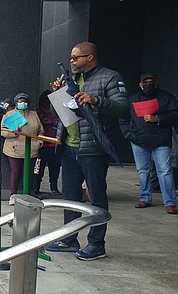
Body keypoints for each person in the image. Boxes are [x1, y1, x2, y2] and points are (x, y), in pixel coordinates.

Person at [46, 42, 129, 261]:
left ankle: (96, 244)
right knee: (70, 197)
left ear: (90, 57)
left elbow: (122, 107)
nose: (71, 61)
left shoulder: (109, 77)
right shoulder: (70, 80)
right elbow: (65, 112)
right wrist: (58, 93)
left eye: (76, 58)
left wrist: (96, 99)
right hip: (69, 146)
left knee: (97, 197)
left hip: (93, 148)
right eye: (71, 58)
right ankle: (69, 238)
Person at [119, 73, 178, 214]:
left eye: (151, 81)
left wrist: (157, 118)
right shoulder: (132, 100)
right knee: (142, 171)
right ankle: (145, 197)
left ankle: (170, 202)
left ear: (156, 83)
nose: (148, 84)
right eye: (145, 82)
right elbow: (124, 118)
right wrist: (128, 134)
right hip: (139, 140)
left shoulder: (167, 97)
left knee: (164, 171)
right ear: (140, 84)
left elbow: (175, 115)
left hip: (161, 140)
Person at [0, 93, 44, 205]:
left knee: (29, 173)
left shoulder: (34, 115)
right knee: (15, 172)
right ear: (16, 103)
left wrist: (39, 143)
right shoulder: (10, 114)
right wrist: (15, 132)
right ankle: (13, 194)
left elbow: (41, 132)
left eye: (24, 101)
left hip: (32, 149)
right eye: (20, 101)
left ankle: (28, 195)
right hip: (14, 149)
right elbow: (2, 131)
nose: (22, 103)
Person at [33, 90, 62, 195]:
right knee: (38, 169)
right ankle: (36, 187)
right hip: (41, 145)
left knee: (54, 168)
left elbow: (62, 122)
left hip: (54, 144)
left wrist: (51, 122)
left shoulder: (56, 111)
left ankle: (54, 187)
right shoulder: (37, 112)